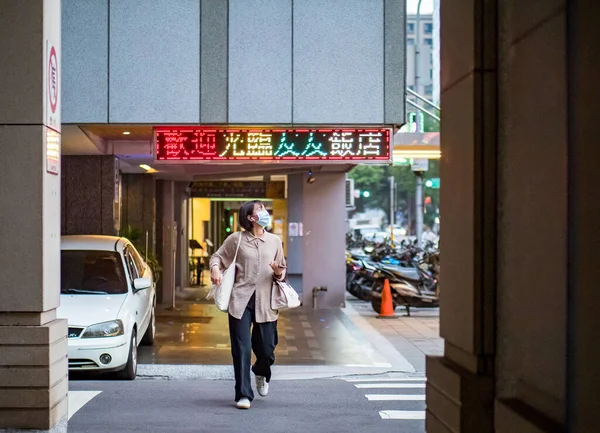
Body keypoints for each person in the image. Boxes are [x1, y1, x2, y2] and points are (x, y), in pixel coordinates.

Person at [210, 200, 286, 410]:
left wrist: (279, 272)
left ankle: (261, 372)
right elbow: (217, 256)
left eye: (264, 209)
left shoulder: (274, 241)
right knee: (241, 349)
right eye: (260, 210)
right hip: (241, 300)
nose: (264, 212)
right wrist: (216, 268)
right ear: (250, 218)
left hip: (266, 301)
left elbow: (282, 270)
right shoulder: (237, 239)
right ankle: (243, 394)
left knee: (267, 348)